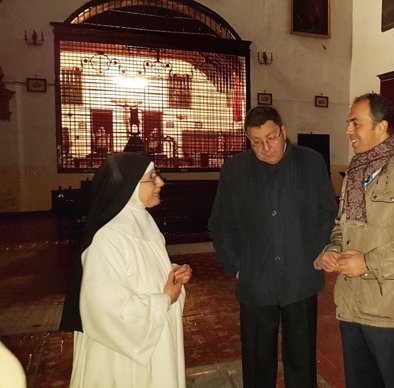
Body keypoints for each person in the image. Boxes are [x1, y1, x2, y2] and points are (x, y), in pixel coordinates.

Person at [315, 93, 394, 388]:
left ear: (382, 127)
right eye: (349, 123)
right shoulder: (354, 175)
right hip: (351, 304)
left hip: (390, 310)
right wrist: (333, 250)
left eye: (355, 124)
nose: (348, 131)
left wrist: (368, 263)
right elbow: (341, 225)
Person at [208, 105, 337, 388]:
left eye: (272, 138)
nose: (266, 148)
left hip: (300, 279)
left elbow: (328, 212)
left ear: (284, 131)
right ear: (248, 140)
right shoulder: (235, 169)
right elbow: (220, 223)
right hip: (255, 282)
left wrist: (313, 254)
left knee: (302, 362)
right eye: (257, 142)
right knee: (257, 363)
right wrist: (237, 266)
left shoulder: (311, 162)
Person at [61, 153, 193, 388]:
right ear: (128, 187)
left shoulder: (144, 221)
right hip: (122, 351)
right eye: (152, 178)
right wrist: (162, 300)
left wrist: (172, 273)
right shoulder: (107, 238)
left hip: (154, 335)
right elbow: (105, 310)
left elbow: (142, 271)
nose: (160, 182)